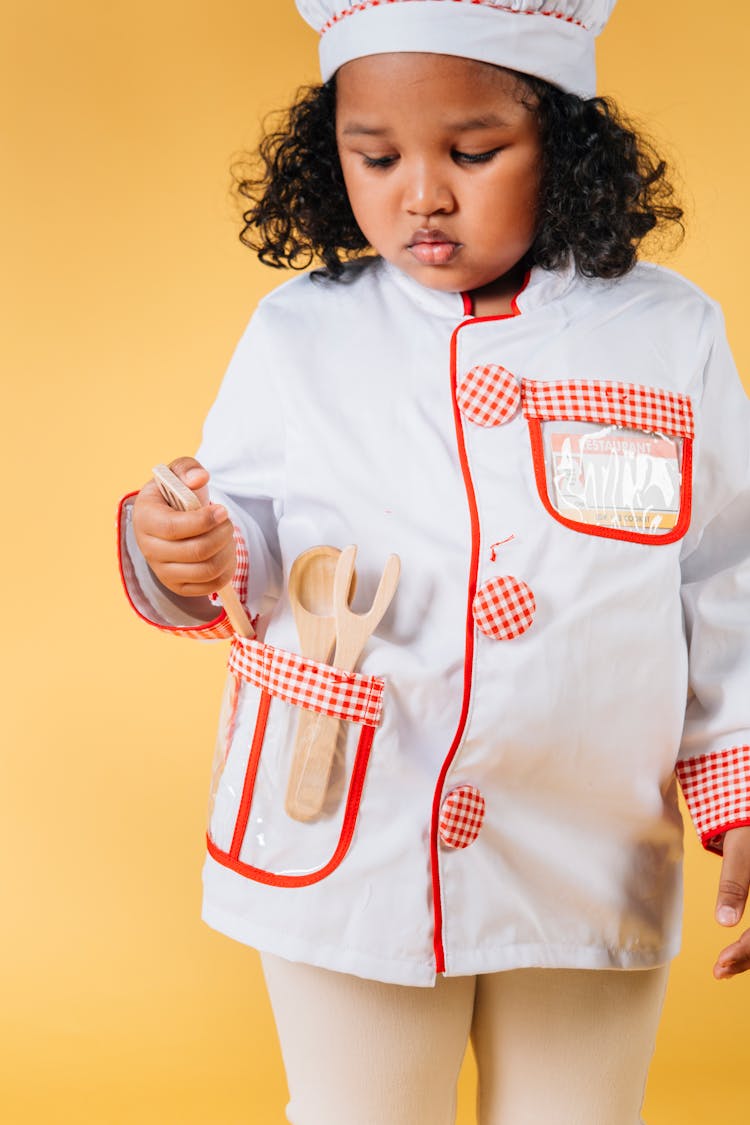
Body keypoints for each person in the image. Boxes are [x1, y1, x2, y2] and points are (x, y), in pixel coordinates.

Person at [118, 2, 750, 1122]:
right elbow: (250, 539)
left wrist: (741, 792)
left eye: (473, 152)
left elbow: (725, 576)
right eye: (377, 156)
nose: (423, 194)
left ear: (566, 141)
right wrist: (189, 550)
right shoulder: (299, 333)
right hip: (350, 824)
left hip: (588, 833)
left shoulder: (669, 332)